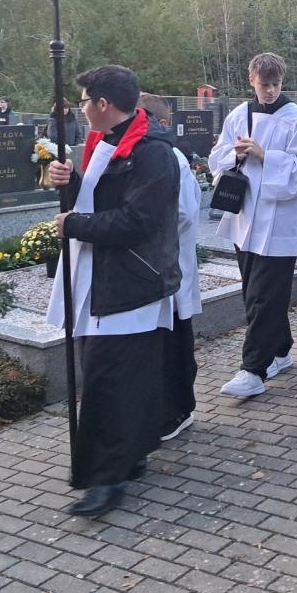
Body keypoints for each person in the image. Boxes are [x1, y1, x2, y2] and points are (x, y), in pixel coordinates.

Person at [45, 65, 182, 517]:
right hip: (105, 278)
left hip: (130, 281)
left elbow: (138, 221)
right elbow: (101, 201)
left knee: (109, 379)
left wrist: (75, 225)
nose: (81, 108)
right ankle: (131, 455)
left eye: (85, 101)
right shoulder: (108, 142)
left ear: (104, 103)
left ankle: (106, 477)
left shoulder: (152, 153)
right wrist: (71, 183)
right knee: (121, 376)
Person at [209, 53, 297, 399]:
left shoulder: (296, 119)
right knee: (254, 292)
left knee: (264, 295)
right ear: (251, 81)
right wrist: (236, 155)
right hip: (245, 218)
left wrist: (265, 156)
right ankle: (280, 351)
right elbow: (217, 156)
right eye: (264, 84)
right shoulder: (239, 115)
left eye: (276, 84)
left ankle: (253, 370)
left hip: (280, 220)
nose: (270, 91)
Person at [138, 93, 201, 441]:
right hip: (151, 265)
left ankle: (179, 409)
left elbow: (185, 213)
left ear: (159, 122)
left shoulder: (171, 156)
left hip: (169, 262)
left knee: (176, 337)